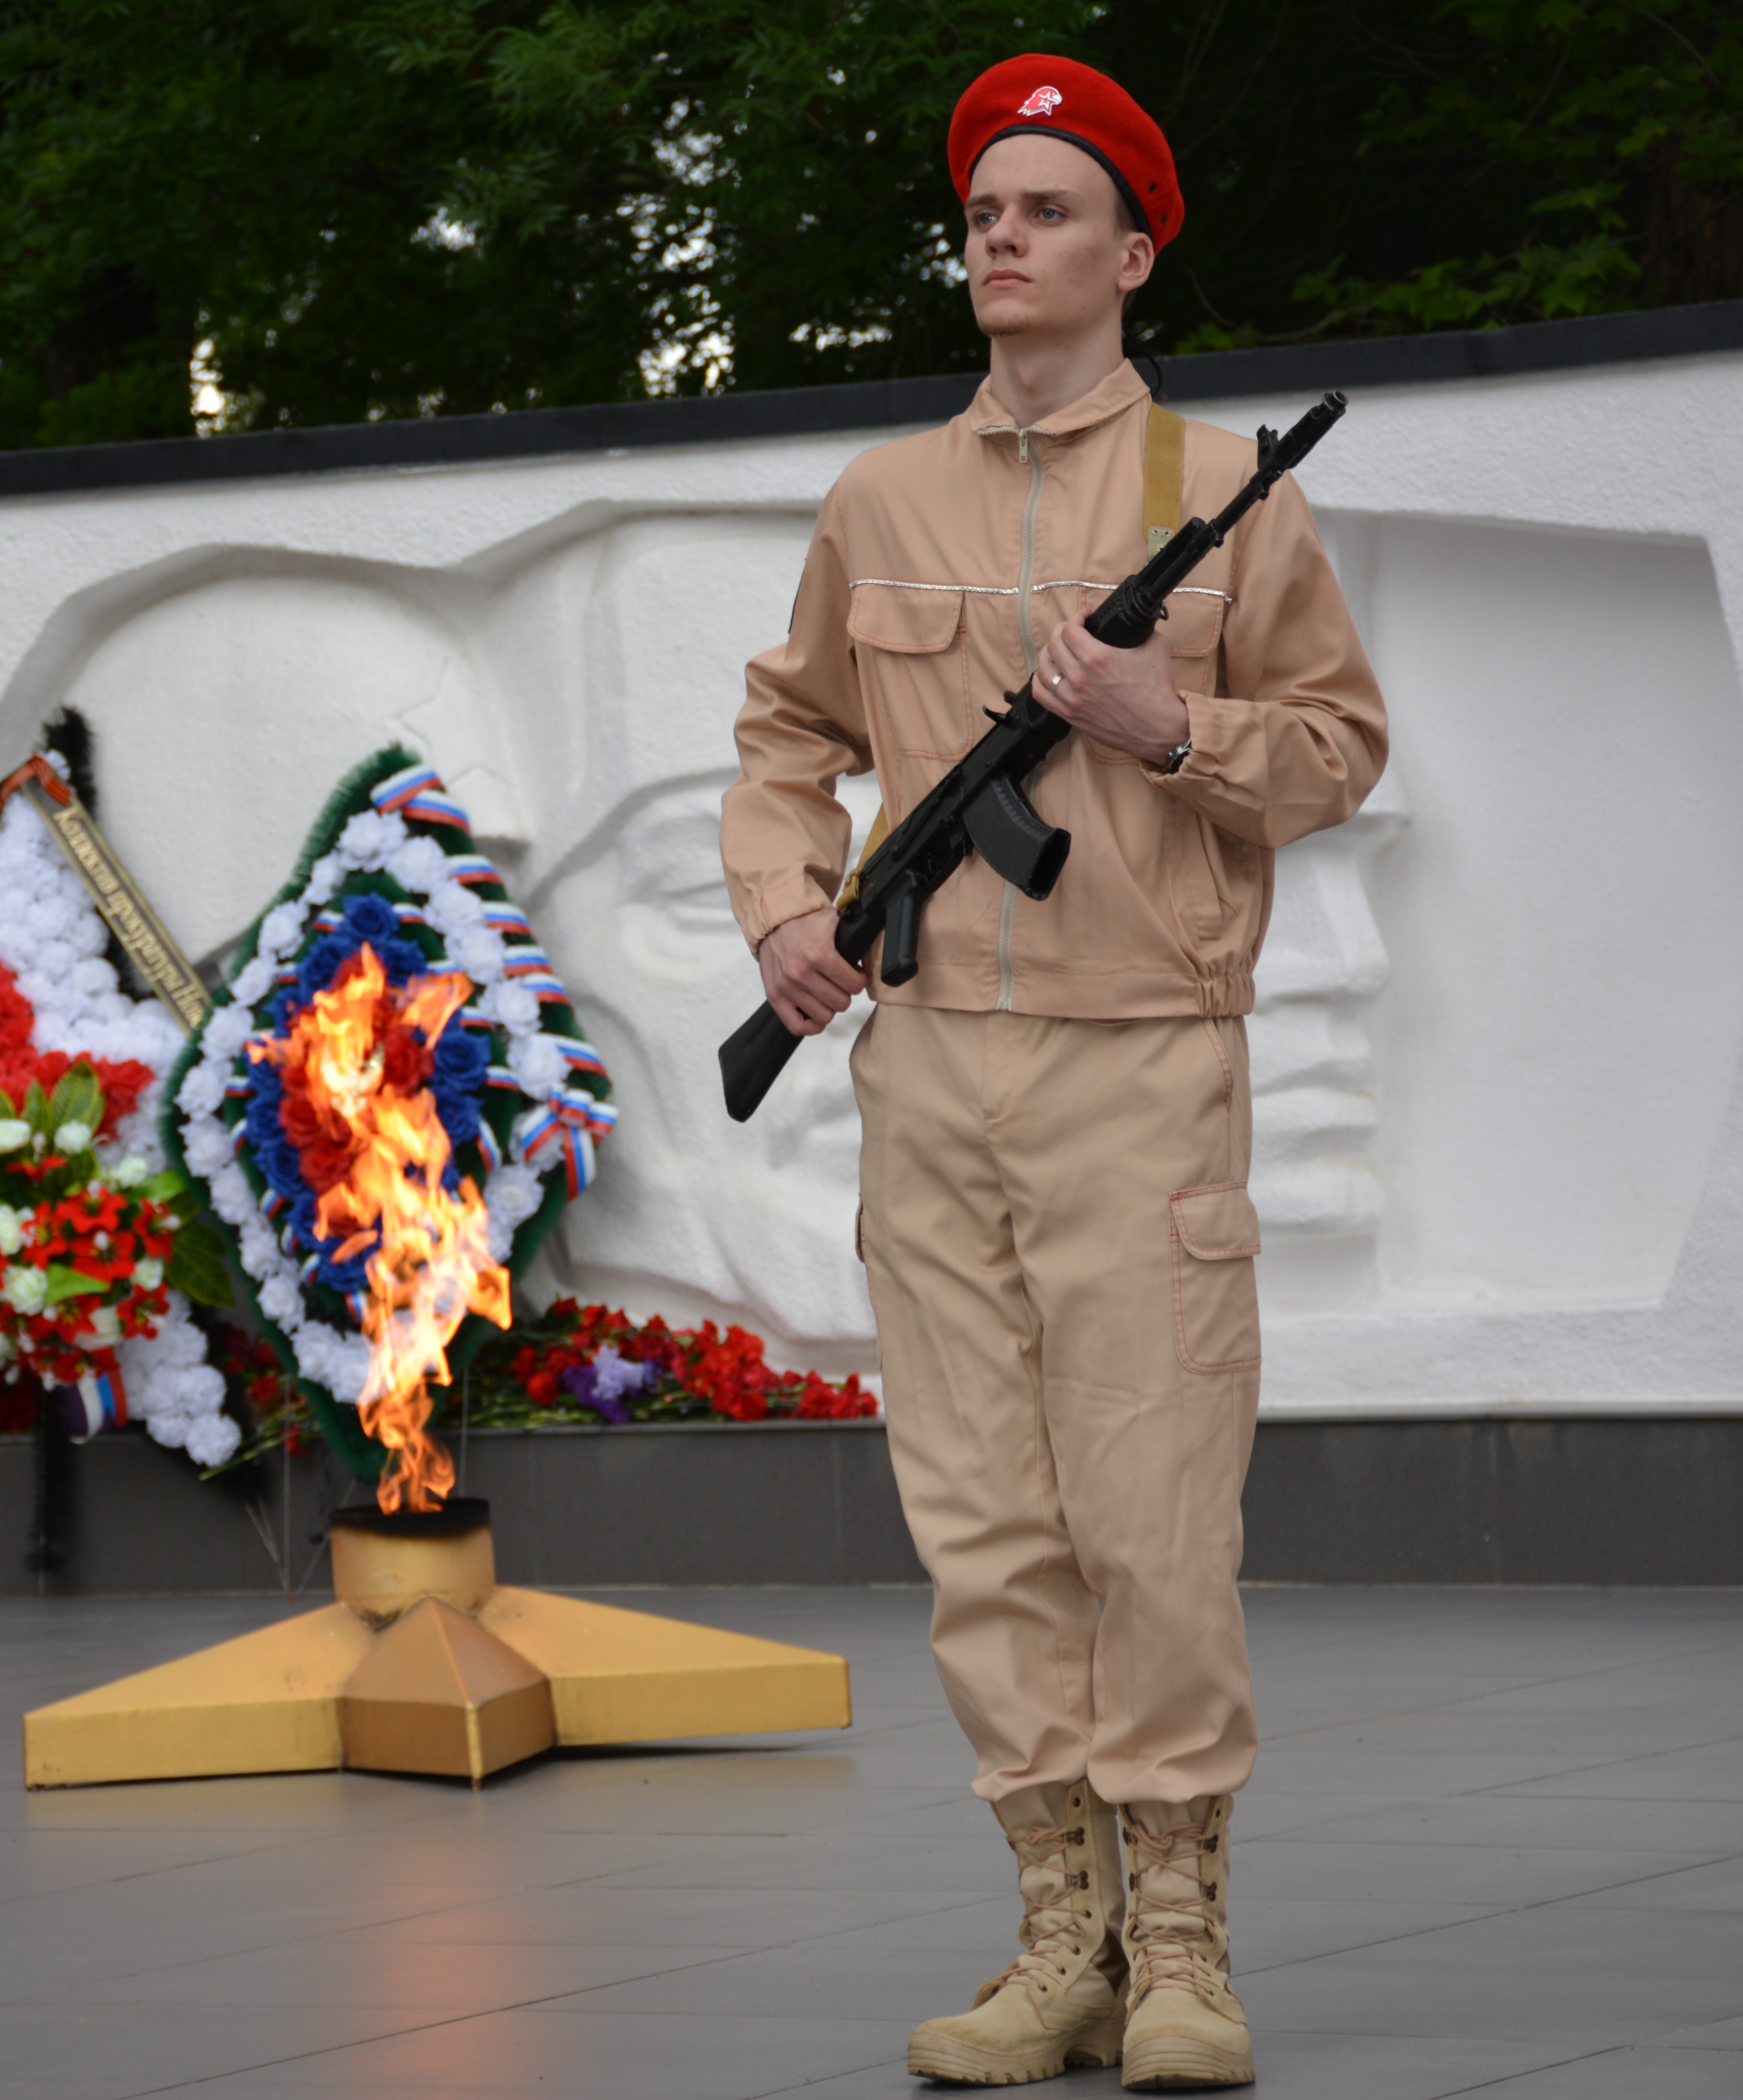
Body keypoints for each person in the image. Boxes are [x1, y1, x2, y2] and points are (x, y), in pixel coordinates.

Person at [721, 53, 1389, 2092]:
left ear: (1133, 252)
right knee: (984, 1522)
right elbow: (786, 737)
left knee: (1152, 1518)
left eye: (1047, 210)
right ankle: (1059, 1943)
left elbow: (1342, 747)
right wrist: (787, 913)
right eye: (984, 212)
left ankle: (1180, 1944)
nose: (1003, 238)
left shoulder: (1223, 488)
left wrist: (1167, 724)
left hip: (1139, 1067)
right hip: (929, 1072)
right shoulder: (881, 500)